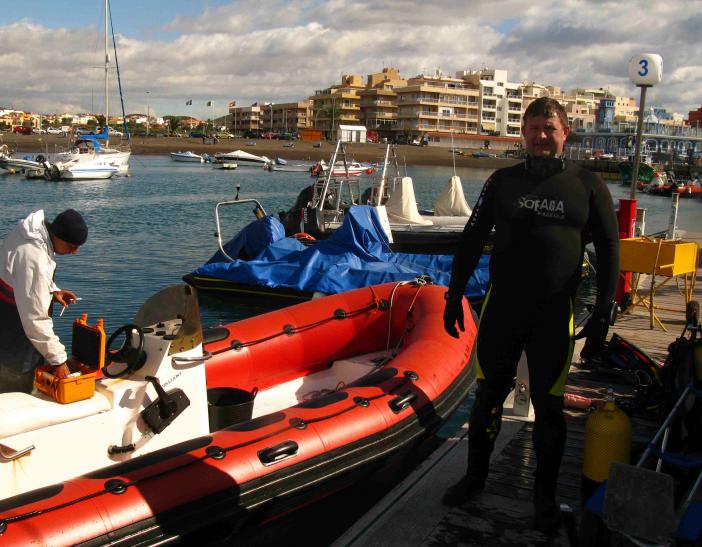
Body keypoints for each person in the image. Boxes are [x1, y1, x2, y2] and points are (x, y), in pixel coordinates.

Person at [441, 97, 620, 533]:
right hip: (503, 309)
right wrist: (454, 293)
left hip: (555, 314)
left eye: (550, 128)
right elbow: (472, 237)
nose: (541, 136)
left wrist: (602, 314)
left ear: (565, 133)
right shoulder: (502, 182)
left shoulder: (587, 184)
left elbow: (611, 249)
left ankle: (544, 496)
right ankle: (475, 477)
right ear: (523, 133)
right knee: (487, 398)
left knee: (550, 407)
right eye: (534, 128)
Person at [0, 209, 88, 394]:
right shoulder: (34, 256)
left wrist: (51, 290)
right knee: (16, 378)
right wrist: (59, 361)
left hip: (9, 310)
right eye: (72, 246)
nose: (75, 252)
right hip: (12, 327)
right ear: (59, 236)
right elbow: (35, 319)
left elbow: (24, 278)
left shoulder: (33, 233)